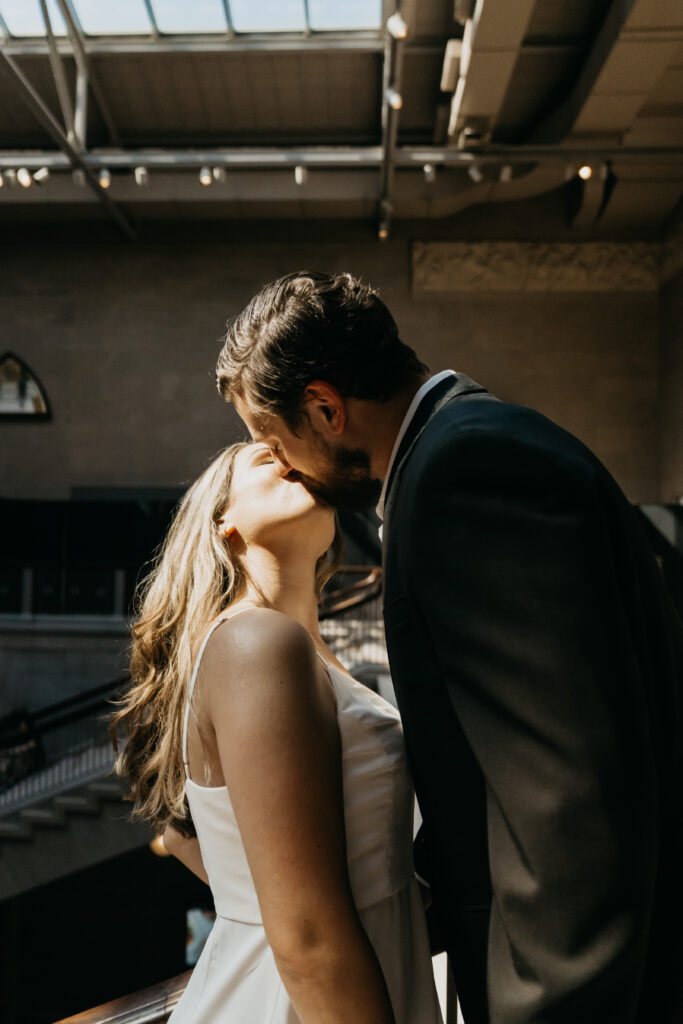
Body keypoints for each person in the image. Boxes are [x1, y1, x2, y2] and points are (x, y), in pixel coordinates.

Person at [216, 270, 683, 1024]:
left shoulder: (462, 473)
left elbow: (564, 801)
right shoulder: (475, 444)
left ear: (326, 408)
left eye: (273, 439)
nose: (282, 463)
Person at [111, 441, 442, 1024]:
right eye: (270, 461)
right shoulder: (255, 642)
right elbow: (309, 938)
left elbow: (187, 828)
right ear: (223, 522)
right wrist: (286, 918)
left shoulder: (304, 651)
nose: (294, 459)